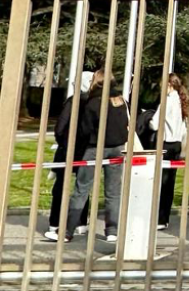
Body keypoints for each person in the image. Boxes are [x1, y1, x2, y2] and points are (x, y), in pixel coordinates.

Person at [63, 69, 129, 242]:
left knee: (81, 189)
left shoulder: (92, 103)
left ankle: (68, 231)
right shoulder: (121, 101)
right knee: (113, 192)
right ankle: (112, 230)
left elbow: (84, 130)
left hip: (94, 148)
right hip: (117, 148)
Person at [43, 71, 93, 241]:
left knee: (61, 186)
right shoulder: (95, 103)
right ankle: (80, 222)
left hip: (68, 149)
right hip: (86, 150)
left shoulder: (73, 102)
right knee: (82, 187)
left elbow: (60, 127)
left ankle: (55, 222)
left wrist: (62, 141)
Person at [150, 73, 189, 230]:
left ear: (169, 85)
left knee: (161, 181)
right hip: (177, 144)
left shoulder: (167, 101)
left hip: (166, 143)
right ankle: (164, 217)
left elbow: (154, 124)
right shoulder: (181, 100)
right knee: (169, 183)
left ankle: (159, 217)